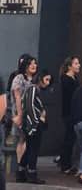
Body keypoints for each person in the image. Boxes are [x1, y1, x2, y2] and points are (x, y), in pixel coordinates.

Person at [12, 54, 38, 182]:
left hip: (32, 115)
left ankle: (24, 167)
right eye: (30, 63)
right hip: (21, 113)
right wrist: (20, 115)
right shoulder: (19, 78)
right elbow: (17, 97)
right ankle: (20, 168)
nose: (34, 65)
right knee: (22, 139)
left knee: (30, 141)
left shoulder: (34, 79)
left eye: (35, 63)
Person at [21, 66, 48, 184]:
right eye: (46, 80)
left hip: (32, 123)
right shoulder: (33, 89)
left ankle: (22, 172)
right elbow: (30, 106)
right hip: (33, 124)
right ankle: (31, 173)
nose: (48, 83)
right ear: (40, 79)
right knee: (33, 149)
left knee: (30, 149)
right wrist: (36, 122)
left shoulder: (33, 89)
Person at [59, 57, 81, 174]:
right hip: (69, 113)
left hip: (74, 112)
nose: (79, 65)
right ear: (69, 66)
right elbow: (69, 98)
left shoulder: (74, 78)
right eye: (76, 63)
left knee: (72, 138)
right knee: (69, 138)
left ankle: (67, 162)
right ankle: (65, 164)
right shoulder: (66, 79)